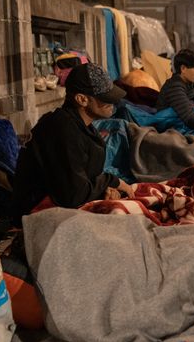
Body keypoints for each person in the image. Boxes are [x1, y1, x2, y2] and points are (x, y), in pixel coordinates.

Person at [12, 62, 135, 223]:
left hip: (67, 199)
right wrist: (112, 181)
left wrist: (104, 189)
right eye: (106, 99)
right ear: (82, 99)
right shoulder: (61, 129)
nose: (112, 104)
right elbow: (73, 195)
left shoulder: (82, 126)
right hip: (36, 212)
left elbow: (83, 179)